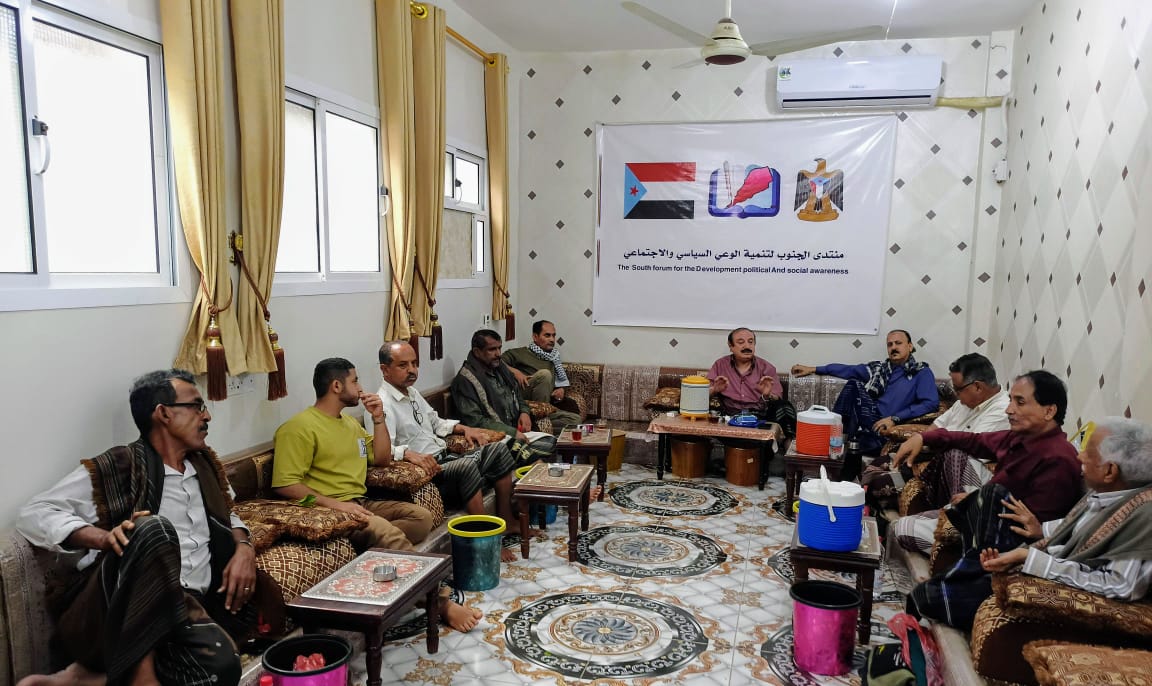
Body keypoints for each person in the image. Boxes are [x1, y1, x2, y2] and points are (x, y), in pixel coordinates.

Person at [16, 369, 256, 686]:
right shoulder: (120, 465)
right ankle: (141, 674)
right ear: (164, 414)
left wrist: (243, 548)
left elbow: (229, 516)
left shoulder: (205, 465)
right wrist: (103, 538)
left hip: (185, 612)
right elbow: (34, 513)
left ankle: (95, 677)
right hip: (116, 612)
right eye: (197, 406)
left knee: (221, 667)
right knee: (153, 529)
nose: (206, 415)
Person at [273, 358, 481, 632]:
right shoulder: (299, 427)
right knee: (386, 532)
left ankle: (374, 556)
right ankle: (440, 602)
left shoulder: (349, 423)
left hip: (360, 502)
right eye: (355, 380)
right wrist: (336, 505)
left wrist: (378, 417)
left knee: (421, 518)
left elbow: (381, 458)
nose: (360, 387)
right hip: (329, 510)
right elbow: (285, 485)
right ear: (336, 386)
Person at [906, 370, 1085, 630]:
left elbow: (1033, 529)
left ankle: (956, 584)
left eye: (1020, 402)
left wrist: (981, 499)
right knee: (904, 529)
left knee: (991, 495)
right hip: (984, 531)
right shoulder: (1018, 437)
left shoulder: (1058, 458)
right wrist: (923, 436)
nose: (1009, 410)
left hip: (1011, 545)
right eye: (1010, 400)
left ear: (1049, 411)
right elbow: (973, 440)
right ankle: (954, 578)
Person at [375, 341, 536, 562]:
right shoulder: (382, 405)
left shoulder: (411, 393)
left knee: (498, 450)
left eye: (414, 363)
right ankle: (485, 539)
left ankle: (507, 520)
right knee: (466, 465)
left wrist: (465, 429)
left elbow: (436, 422)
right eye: (403, 365)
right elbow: (383, 449)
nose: (412, 370)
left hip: (447, 458)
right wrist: (408, 454)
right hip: (431, 473)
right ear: (385, 369)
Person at [979, 417, 1152, 599]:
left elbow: (1119, 586)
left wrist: (1031, 559)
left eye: (1089, 453)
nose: (1080, 456)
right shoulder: (1107, 494)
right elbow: (1085, 529)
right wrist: (1040, 533)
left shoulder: (1143, 518)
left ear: (1109, 471)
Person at [864, 353, 1010, 522]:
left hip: (946, 473)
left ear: (977, 387)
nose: (956, 395)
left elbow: (967, 450)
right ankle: (876, 517)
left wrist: (923, 453)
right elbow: (935, 428)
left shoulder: (1002, 411)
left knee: (878, 486)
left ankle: (886, 521)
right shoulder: (964, 402)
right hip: (931, 456)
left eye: (958, 389)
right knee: (876, 466)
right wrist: (920, 440)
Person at [791, 329, 938, 478]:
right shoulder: (880, 370)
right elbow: (849, 370)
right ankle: (837, 444)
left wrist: (895, 418)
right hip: (870, 425)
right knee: (853, 387)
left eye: (898, 343)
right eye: (890, 344)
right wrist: (813, 369)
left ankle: (835, 441)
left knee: (854, 388)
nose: (893, 347)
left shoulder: (921, 372)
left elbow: (930, 403)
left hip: (889, 431)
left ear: (910, 346)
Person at [451, 329, 557, 461]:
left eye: (499, 348)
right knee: (545, 447)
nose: (498, 354)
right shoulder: (465, 380)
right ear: (477, 352)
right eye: (492, 349)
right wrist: (511, 433)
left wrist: (524, 412)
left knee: (552, 442)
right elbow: (475, 421)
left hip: (515, 430)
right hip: (495, 437)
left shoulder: (499, 367)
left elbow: (517, 394)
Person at [705, 327, 797, 437]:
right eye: (741, 342)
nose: (747, 346)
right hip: (730, 416)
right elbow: (702, 395)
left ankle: (790, 442)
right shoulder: (720, 365)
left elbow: (777, 397)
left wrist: (767, 395)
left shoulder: (766, 367)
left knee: (784, 406)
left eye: (750, 342)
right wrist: (714, 389)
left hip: (760, 416)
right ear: (731, 346)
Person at [501, 320, 583, 433]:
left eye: (553, 335)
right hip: (522, 399)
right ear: (535, 337)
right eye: (547, 335)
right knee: (544, 374)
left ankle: (536, 424)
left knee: (575, 420)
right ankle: (536, 417)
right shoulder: (519, 353)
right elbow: (497, 361)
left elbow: (558, 381)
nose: (552, 339)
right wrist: (515, 372)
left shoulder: (553, 358)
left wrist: (560, 390)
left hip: (546, 404)